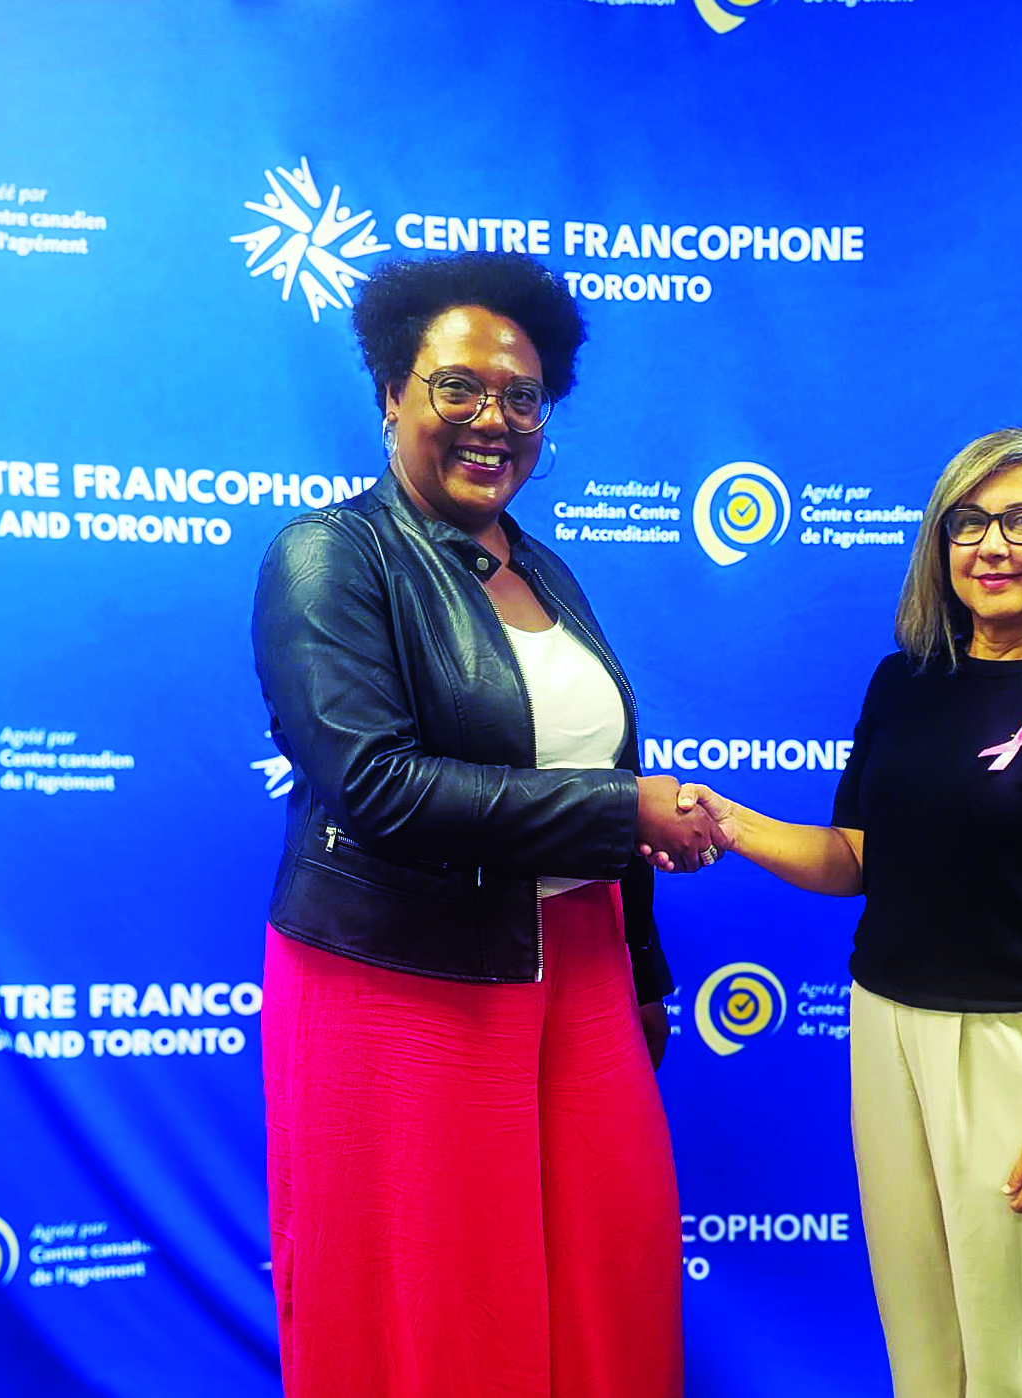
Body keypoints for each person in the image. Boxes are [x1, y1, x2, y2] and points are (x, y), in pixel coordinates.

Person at [251, 251, 718, 1398]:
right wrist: (620, 811)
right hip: (400, 978)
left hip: (584, 969)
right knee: (438, 1307)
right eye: (456, 386)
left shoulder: (543, 569)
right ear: (391, 396)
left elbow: (599, 765)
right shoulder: (328, 557)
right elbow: (379, 787)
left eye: (522, 396)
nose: (492, 418)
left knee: (609, 1280)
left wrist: (643, 970)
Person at [652, 428, 1022, 1397]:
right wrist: (729, 821)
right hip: (885, 1032)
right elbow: (855, 860)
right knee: (923, 1358)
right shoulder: (905, 682)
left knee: (1016, 1368)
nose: (991, 545)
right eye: (966, 522)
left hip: (1020, 1055)